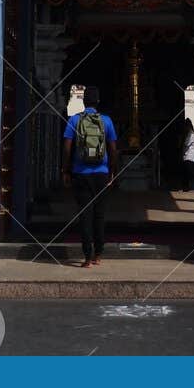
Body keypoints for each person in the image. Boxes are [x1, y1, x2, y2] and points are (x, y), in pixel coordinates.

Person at [62, 85, 118, 267]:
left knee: (85, 214)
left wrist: (66, 169)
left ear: (83, 101)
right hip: (101, 173)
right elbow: (113, 149)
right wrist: (111, 171)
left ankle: (87, 256)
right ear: (98, 102)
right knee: (99, 214)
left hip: (80, 173)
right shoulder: (106, 121)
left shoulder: (74, 120)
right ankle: (99, 254)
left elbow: (67, 147)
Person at [181, 118, 194, 191]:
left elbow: (186, 143)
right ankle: (186, 187)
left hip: (190, 156)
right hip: (186, 155)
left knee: (191, 171)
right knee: (186, 172)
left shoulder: (190, 134)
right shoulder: (188, 134)